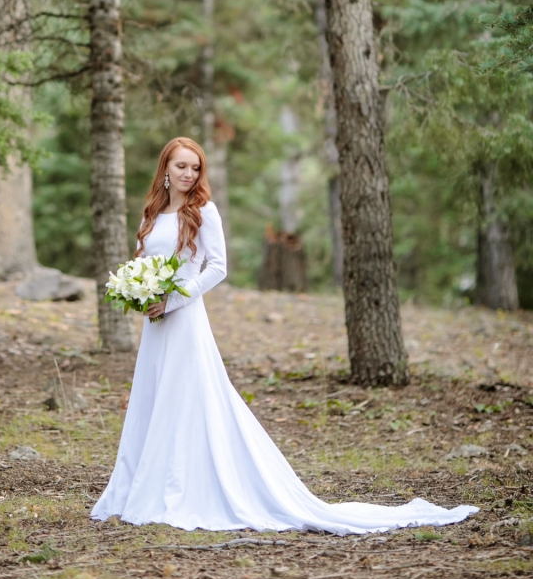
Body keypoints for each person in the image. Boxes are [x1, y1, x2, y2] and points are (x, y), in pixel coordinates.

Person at [91, 136, 478, 534]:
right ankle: (139, 485)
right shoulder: (151, 212)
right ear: (165, 170)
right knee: (153, 397)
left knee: (187, 395)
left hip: (184, 317)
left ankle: (182, 486)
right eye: (181, 167)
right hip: (153, 323)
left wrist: (174, 300)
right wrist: (138, 291)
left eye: (195, 167)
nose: (189, 174)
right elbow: (143, 261)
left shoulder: (204, 210)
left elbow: (217, 267)